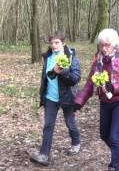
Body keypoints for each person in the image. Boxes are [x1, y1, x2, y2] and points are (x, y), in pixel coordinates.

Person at [74, 28, 119, 171]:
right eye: (101, 45)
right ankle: (118, 150)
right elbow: (90, 83)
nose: (104, 48)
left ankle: (114, 166)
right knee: (104, 134)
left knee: (115, 137)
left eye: (107, 45)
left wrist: (114, 87)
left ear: (114, 44)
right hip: (105, 102)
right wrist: (79, 102)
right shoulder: (98, 60)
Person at [30, 31, 81, 166]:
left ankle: (76, 142)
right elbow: (47, 77)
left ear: (63, 43)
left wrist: (62, 72)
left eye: (57, 42)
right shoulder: (48, 57)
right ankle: (44, 155)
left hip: (67, 97)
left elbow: (76, 78)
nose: (54, 45)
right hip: (50, 97)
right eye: (52, 43)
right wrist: (42, 92)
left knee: (70, 123)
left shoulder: (71, 57)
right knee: (48, 125)